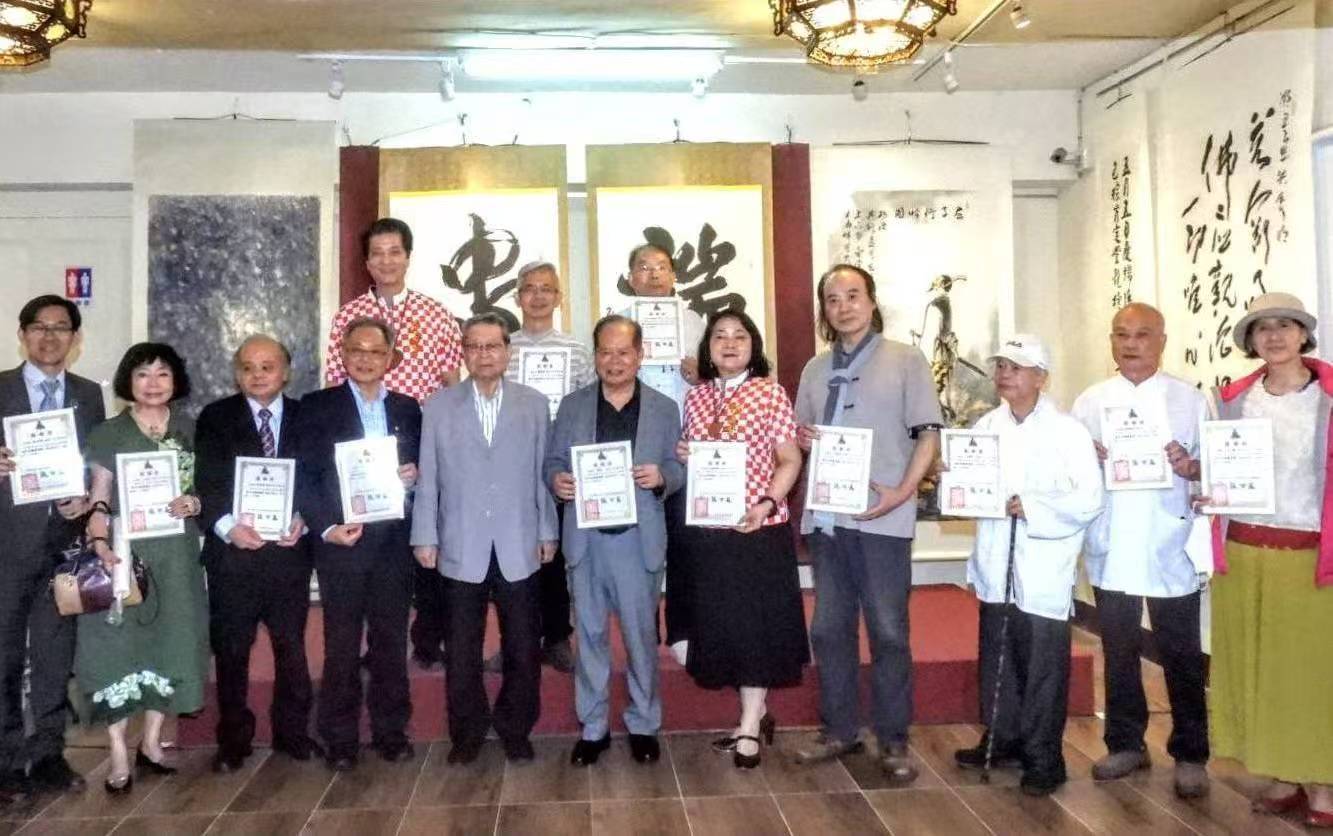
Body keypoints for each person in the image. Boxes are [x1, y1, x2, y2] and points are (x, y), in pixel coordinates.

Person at [792, 264, 941, 783]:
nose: (844, 307)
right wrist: (804, 439)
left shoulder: (906, 360)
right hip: (828, 520)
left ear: (872, 302)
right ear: (824, 310)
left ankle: (894, 738)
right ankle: (839, 729)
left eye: (853, 295)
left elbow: (929, 436)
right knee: (828, 628)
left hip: (883, 518)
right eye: (833, 299)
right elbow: (801, 433)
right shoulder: (814, 369)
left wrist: (904, 492)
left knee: (889, 630)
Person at [1190, 293, 1333, 827]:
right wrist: (1202, 483)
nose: (1274, 336)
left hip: (1309, 552)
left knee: (1310, 671)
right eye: (1262, 328)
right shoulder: (1233, 400)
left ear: (1303, 335)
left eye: (1285, 326)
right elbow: (1219, 470)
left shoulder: (1328, 398)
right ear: (1251, 340)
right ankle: (1282, 773)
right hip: (1244, 551)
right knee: (1256, 668)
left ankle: (1322, 781)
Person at [1068, 303, 1211, 798]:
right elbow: (1070, 474)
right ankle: (1126, 743)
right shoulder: (1090, 402)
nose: (1131, 344)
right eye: (1121, 334)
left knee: (1182, 652)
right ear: (1111, 341)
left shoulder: (1190, 400)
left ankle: (1191, 752)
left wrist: (1190, 465)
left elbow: (1214, 470)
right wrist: (1087, 458)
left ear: (1162, 341)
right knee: (1119, 649)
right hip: (1112, 543)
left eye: (1142, 335)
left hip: (1171, 542)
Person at [951, 336, 1104, 797]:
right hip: (997, 560)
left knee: (1041, 667)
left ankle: (1043, 758)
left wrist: (1032, 505)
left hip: (1043, 564)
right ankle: (1001, 738)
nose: (1004, 374)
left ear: (1041, 377)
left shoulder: (1069, 432)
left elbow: (1089, 499)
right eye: (1000, 365)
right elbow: (969, 485)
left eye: (1015, 366)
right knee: (997, 655)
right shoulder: (985, 426)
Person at [412, 313, 558, 765]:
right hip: (460, 542)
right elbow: (429, 477)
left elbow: (543, 474)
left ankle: (516, 728)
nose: (484, 354)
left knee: (523, 646)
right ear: (463, 352)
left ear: (508, 351)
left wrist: (548, 530)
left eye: (492, 346)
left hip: (520, 541)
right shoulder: (438, 406)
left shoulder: (534, 404)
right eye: (474, 346)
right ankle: (467, 733)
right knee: (461, 649)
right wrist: (425, 536)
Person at [324, 217, 462, 672]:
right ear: (366, 262)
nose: (386, 261)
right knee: (374, 549)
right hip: (363, 455)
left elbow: (451, 383)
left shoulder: (435, 313)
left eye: (394, 251)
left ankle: (428, 638)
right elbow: (333, 383)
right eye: (377, 253)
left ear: (407, 256)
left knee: (428, 543)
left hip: (421, 441)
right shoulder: (347, 316)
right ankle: (377, 645)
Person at [545, 315, 684, 767]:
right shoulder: (573, 406)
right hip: (586, 541)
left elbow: (680, 467)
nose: (614, 361)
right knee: (589, 636)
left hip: (637, 540)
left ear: (640, 355)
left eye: (624, 352)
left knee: (641, 638)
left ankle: (643, 723)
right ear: (595, 356)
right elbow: (552, 461)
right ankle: (593, 726)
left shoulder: (664, 408)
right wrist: (557, 480)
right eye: (605, 352)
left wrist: (664, 477)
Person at [674, 309, 807, 769]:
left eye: (740, 337)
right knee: (726, 625)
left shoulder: (770, 393)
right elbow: (697, 456)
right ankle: (758, 710)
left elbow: (789, 459)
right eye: (719, 336)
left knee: (755, 628)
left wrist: (767, 503)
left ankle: (749, 723)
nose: (729, 344)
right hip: (710, 531)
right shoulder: (695, 398)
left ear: (754, 346)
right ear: (707, 348)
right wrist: (685, 452)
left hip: (758, 530)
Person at [79, 342, 209, 794]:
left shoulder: (191, 429)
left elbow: (207, 489)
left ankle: (151, 742)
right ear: (128, 381)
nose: (153, 384)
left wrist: (195, 503)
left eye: (162, 374)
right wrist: (98, 541)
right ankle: (118, 748)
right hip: (123, 554)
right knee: (115, 647)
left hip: (177, 555)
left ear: (176, 380)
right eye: (142, 374)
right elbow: (99, 496)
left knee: (170, 640)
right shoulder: (109, 433)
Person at [297, 318, 421, 772]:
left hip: (393, 545)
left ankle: (391, 732)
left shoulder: (408, 408)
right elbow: (305, 477)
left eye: (375, 351)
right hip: (341, 543)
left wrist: (413, 475)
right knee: (342, 646)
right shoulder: (318, 406)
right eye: (357, 350)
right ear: (343, 355)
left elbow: (420, 467)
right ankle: (340, 738)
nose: (366, 359)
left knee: (390, 642)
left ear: (391, 358)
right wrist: (326, 527)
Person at [195, 335, 319, 773]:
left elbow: (317, 479)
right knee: (232, 652)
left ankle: (293, 733)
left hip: (288, 554)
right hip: (233, 558)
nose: (258, 375)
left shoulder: (307, 416)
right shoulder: (215, 417)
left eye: (268, 367)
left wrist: (304, 517)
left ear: (286, 372)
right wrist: (229, 528)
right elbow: (206, 482)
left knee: (291, 649)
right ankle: (233, 741)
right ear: (237, 374)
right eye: (248, 367)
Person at [0, 296, 106, 800]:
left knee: (54, 656)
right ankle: (4, 759)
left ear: (75, 338)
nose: (49, 336)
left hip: (63, 548)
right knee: (3, 655)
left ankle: (46, 754)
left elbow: (93, 466)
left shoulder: (88, 394)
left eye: (61, 327)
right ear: (22, 334)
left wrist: (84, 501)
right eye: (39, 327)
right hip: (5, 546)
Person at [497, 260, 593, 674]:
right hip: (512, 465)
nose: (537, 296)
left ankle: (556, 637)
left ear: (559, 298)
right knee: (513, 556)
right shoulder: (502, 347)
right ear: (517, 297)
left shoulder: (577, 350)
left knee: (555, 556)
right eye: (529, 288)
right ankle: (515, 641)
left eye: (546, 289)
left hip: (559, 465)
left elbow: (587, 406)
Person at [618, 243, 705, 666]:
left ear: (673, 276)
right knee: (640, 545)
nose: (653, 275)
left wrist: (701, 373)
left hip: (683, 447)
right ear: (630, 277)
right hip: (635, 446)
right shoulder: (619, 324)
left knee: (685, 541)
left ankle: (683, 628)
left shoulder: (695, 323)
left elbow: (720, 381)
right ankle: (644, 625)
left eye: (662, 267)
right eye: (644, 267)